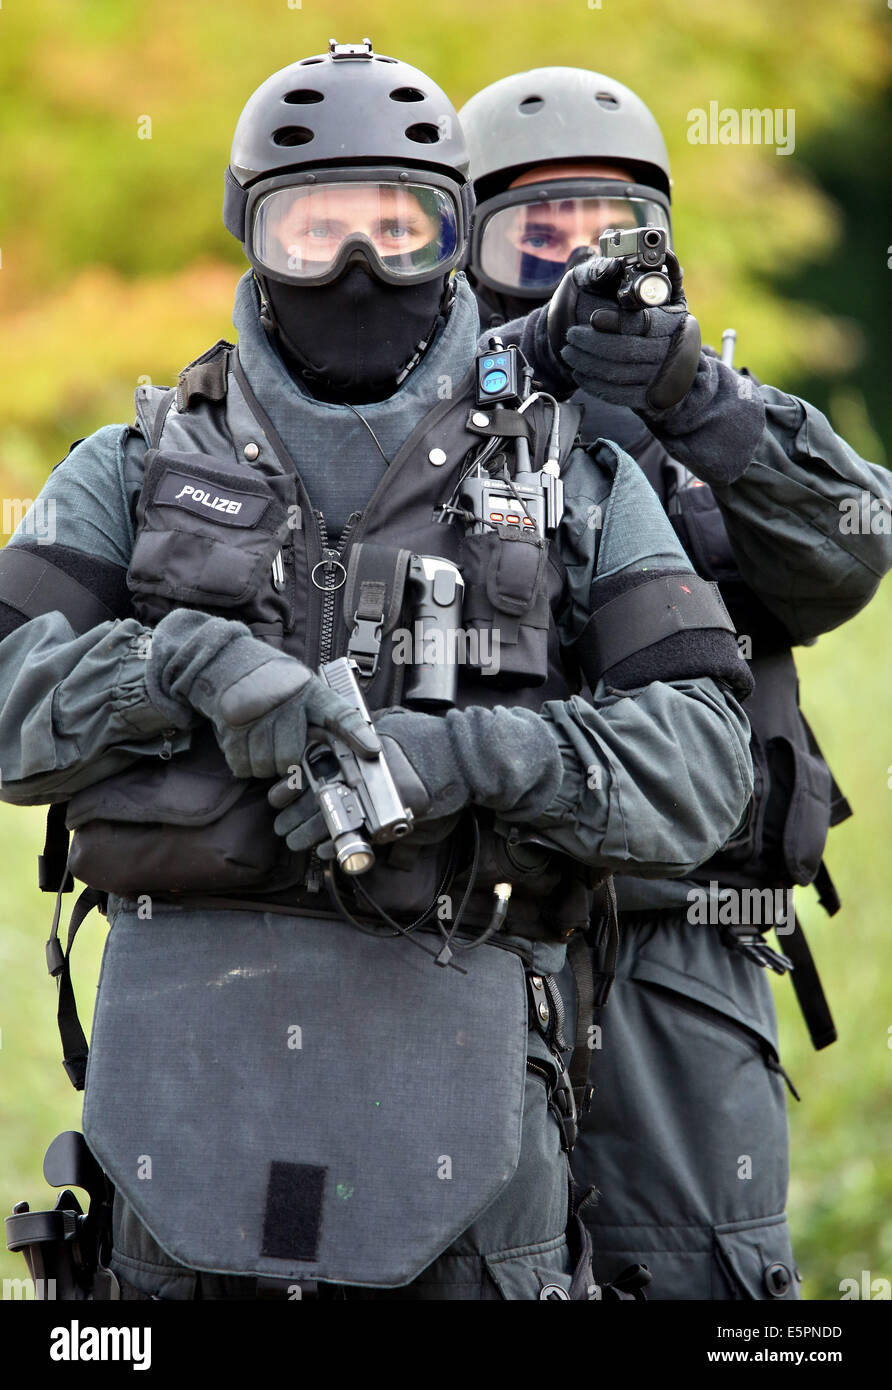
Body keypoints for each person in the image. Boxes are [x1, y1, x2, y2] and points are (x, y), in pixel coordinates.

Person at [0, 41, 754, 1301]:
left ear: (453, 236)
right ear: (252, 236)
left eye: (396, 227)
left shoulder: (574, 476)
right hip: (174, 1116)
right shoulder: (130, 463)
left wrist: (468, 757)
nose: (357, 267)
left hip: (475, 1121)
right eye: (315, 229)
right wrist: (174, 667)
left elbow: (705, 765)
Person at [459, 65, 892, 1300]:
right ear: (466, 243)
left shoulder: (717, 412)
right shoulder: (425, 416)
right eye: (530, 234)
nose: (568, 262)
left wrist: (692, 398)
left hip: (688, 945)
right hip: (475, 937)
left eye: (602, 231)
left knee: (701, 1277)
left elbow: (853, 550)